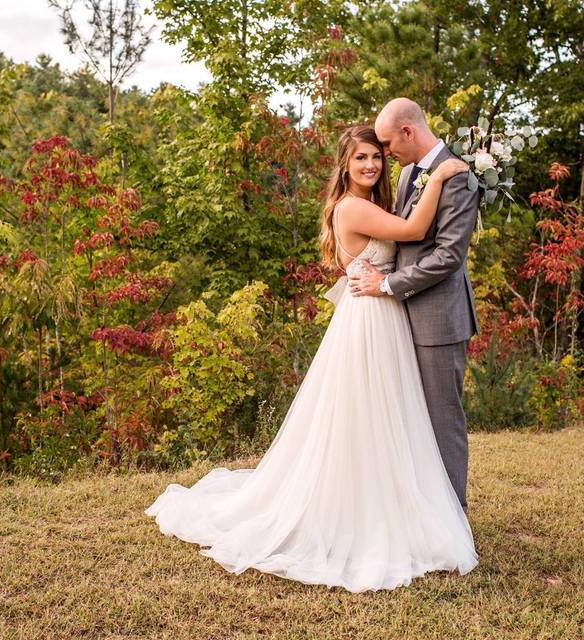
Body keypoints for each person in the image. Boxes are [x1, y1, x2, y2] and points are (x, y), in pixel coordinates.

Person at [144, 125, 476, 593]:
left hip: (382, 314)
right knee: (365, 417)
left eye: (376, 158)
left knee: (383, 419)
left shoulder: (373, 201)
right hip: (370, 318)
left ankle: (382, 503)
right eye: (361, 158)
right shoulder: (353, 207)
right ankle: (360, 513)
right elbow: (415, 230)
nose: (371, 165)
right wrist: (440, 178)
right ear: (344, 165)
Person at [350, 98, 480, 511]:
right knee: (411, 422)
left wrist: (387, 283)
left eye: (387, 144)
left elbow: (447, 257)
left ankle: (452, 518)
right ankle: (420, 513)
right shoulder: (409, 173)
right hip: (401, 316)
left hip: (438, 318)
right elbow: (401, 234)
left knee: (442, 422)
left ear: (408, 131)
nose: (385, 155)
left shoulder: (458, 175)